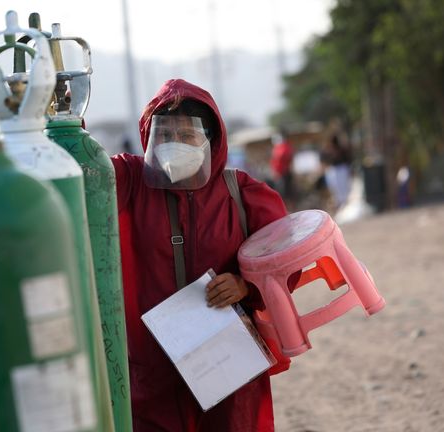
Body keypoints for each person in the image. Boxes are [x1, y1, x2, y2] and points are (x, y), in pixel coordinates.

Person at [112, 79, 291, 431]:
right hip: (152, 364)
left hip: (227, 362)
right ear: (149, 139)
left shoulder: (240, 192)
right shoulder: (131, 181)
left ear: (211, 140)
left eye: (187, 135)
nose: (174, 144)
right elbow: (82, 172)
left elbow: (283, 257)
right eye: (164, 135)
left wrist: (246, 286)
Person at [320, 134, 352, 209]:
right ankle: (341, 203)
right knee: (337, 188)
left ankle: (344, 203)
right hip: (336, 170)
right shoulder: (330, 150)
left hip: (342, 169)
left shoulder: (341, 149)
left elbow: (347, 160)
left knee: (343, 187)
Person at [269, 129, 296, 209]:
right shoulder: (277, 148)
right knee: (281, 193)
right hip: (278, 175)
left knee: (285, 193)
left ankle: (289, 208)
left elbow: (283, 158)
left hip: (284, 174)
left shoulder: (285, 147)